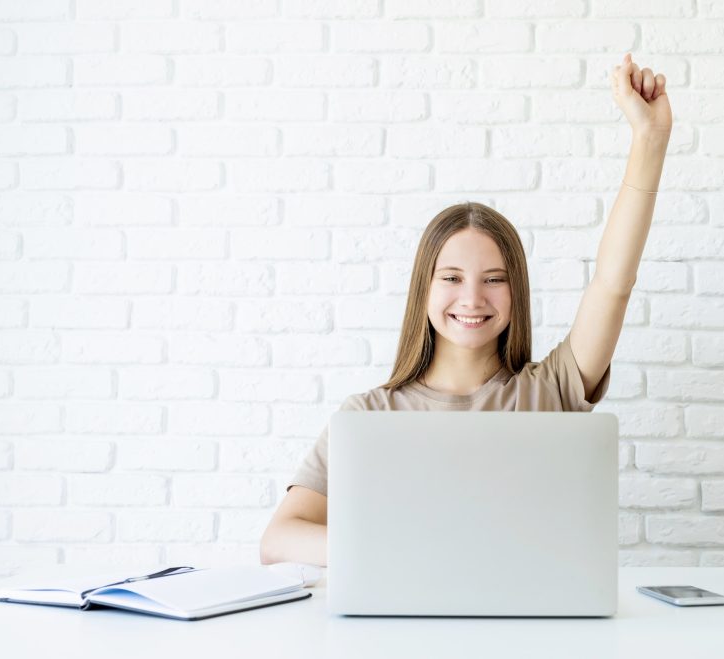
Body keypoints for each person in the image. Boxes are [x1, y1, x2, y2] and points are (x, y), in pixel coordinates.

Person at [259, 52, 672, 567]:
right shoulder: (369, 416)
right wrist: (403, 551)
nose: (472, 299)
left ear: (516, 292)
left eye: (494, 280)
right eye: (451, 279)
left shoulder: (548, 392)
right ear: (423, 291)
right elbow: (279, 540)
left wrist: (649, 141)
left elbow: (613, 283)